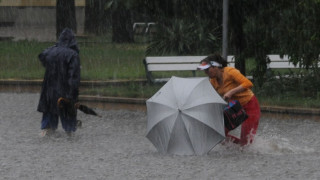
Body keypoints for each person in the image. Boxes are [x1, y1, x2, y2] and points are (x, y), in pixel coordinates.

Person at [197, 53, 261, 146]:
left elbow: (248, 83)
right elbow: (210, 98)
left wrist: (231, 92)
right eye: (204, 70)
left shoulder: (230, 72)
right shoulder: (213, 81)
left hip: (250, 105)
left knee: (246, 141)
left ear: (215, 67)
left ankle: (243, 145)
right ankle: (238, 146)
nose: (206, 72)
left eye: (207, 69)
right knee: (219, 134)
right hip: (234, 109)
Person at [37, 28, 81, 137]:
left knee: (49, 111)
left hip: (49, 90)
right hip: (65, 89)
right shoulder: (73, 55)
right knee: (68, 112)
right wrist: (73, 92)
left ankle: (46, 130)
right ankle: (69, 132)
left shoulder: (51, 52)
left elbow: (42, 56)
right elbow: (74, 76)